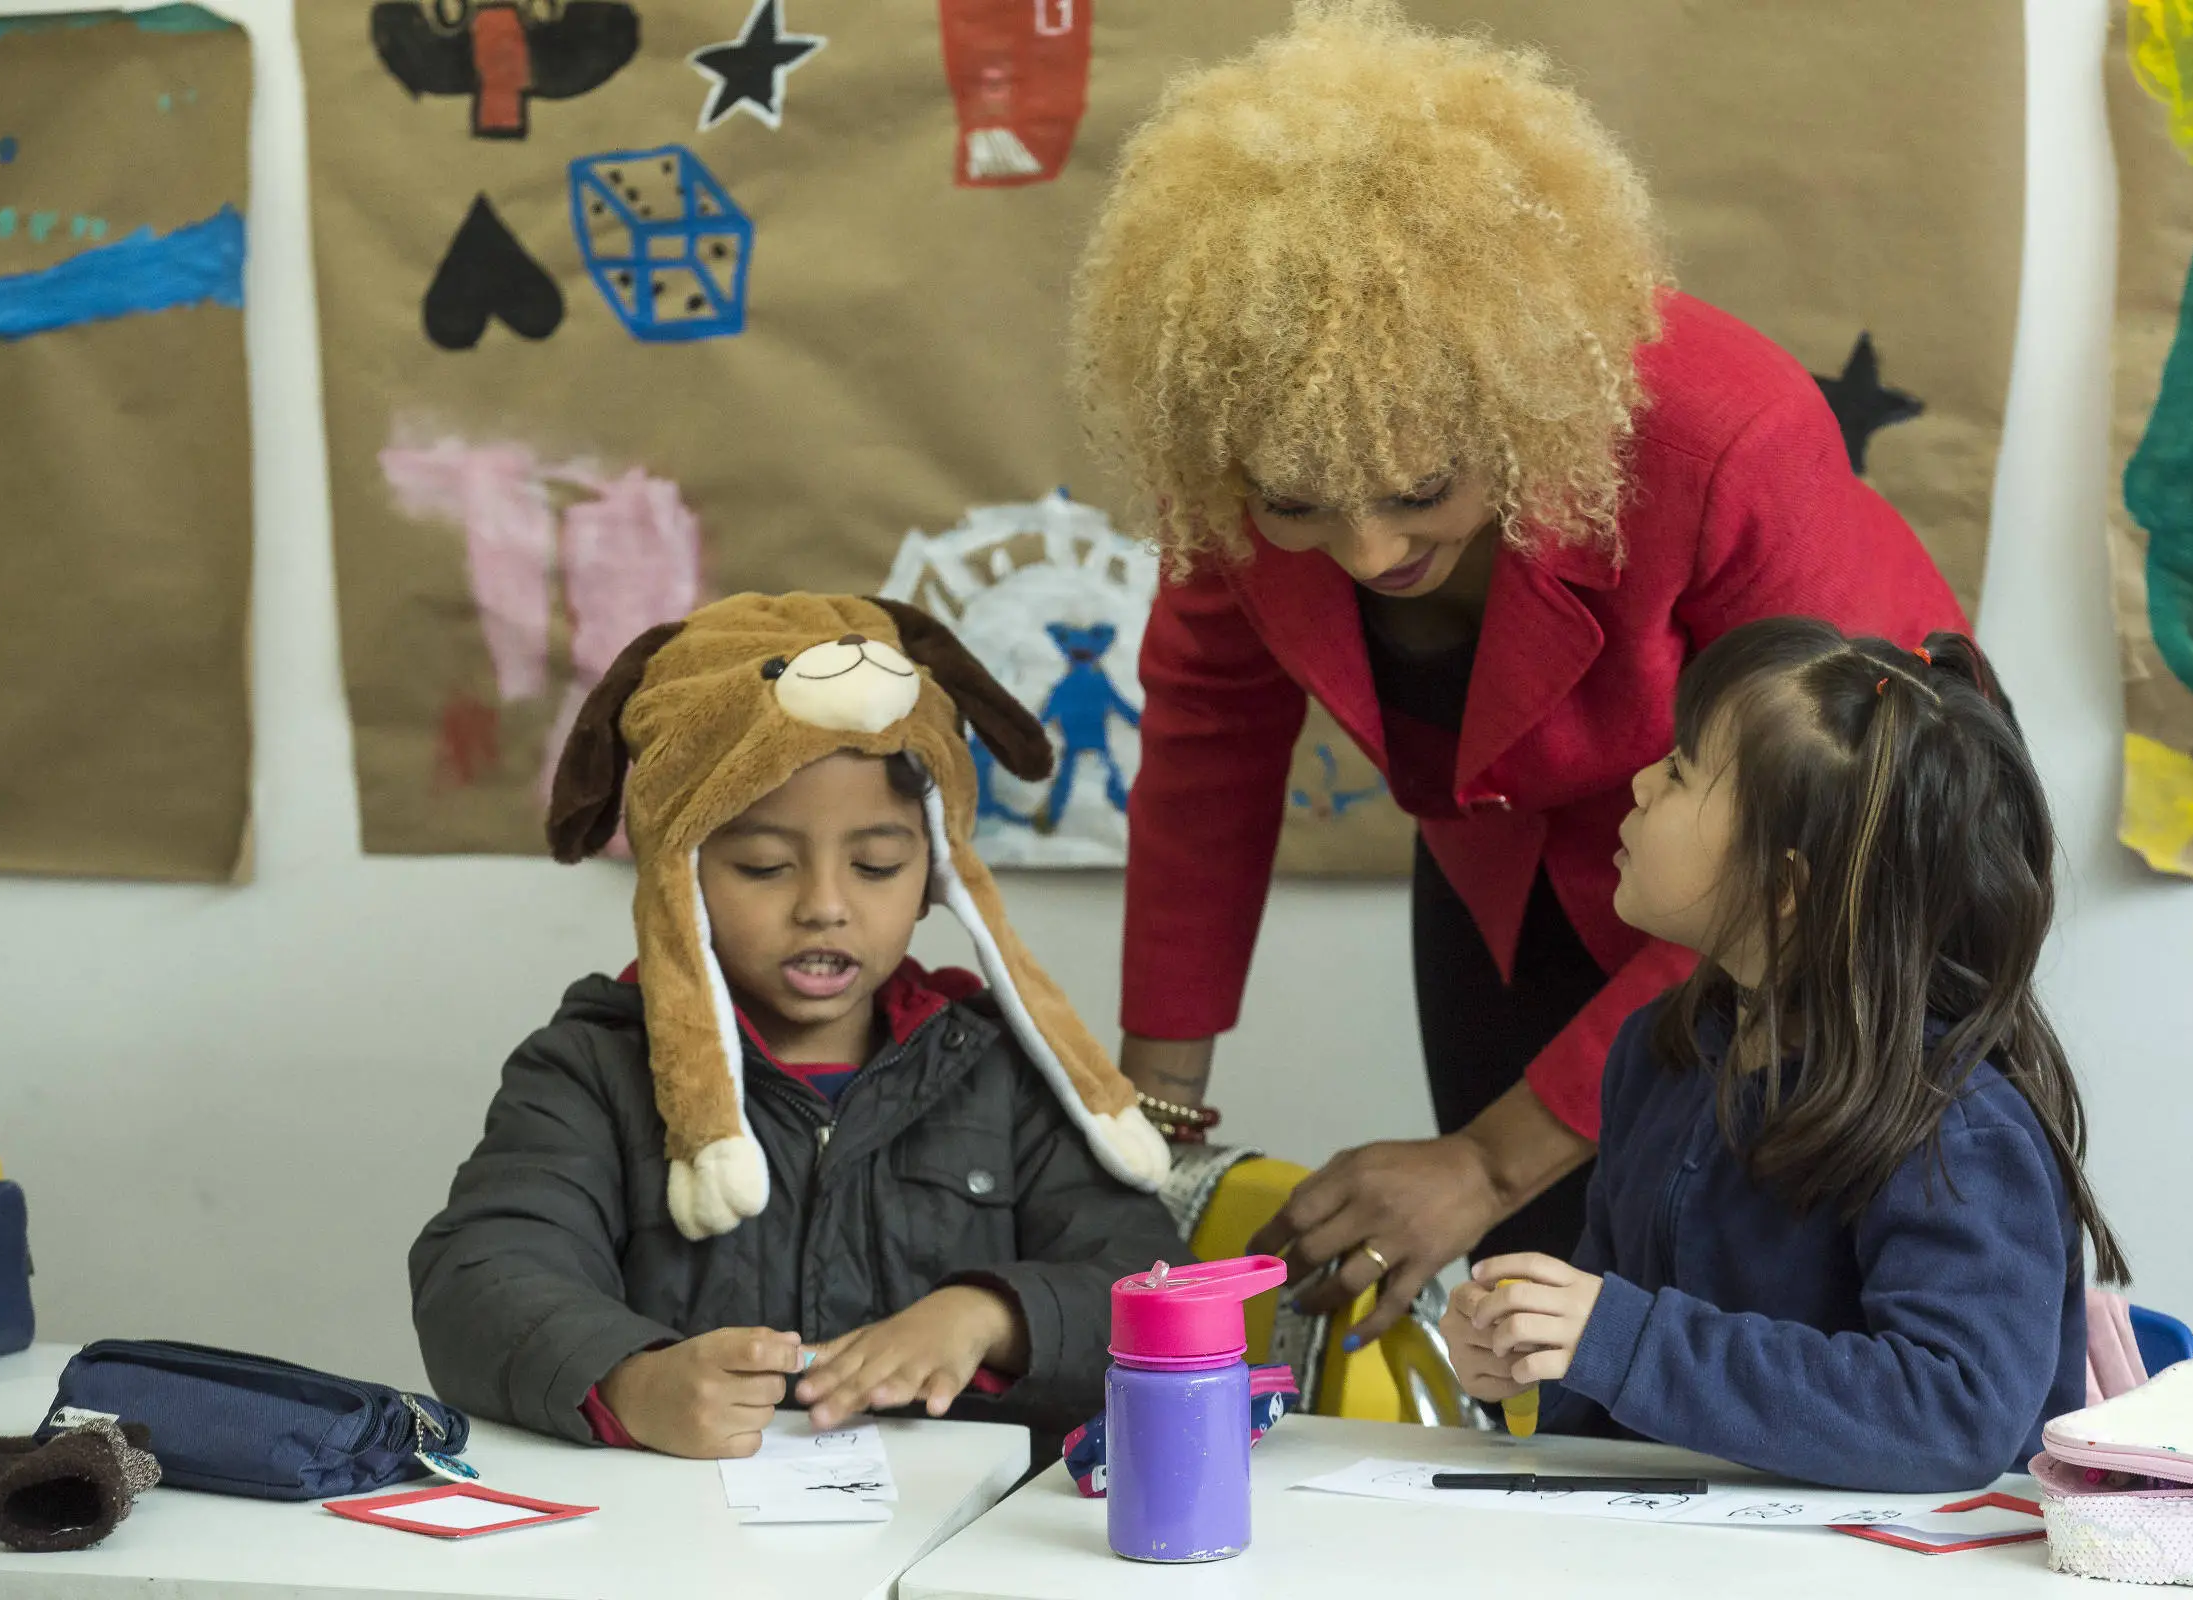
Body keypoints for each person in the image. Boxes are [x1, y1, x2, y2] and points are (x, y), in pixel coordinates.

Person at [1071, 0, 1970, 1343]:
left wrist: (1490, 1161)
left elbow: (1834, 855)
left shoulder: (1725, 436)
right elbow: (1210, 746)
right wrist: (1150, 1132)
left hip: (1826, 873)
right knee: (1544, 1328)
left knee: (1764, 1318)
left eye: (1421, 489)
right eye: (1302, 505)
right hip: (1513, 877)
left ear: (1516, 394)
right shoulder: (1251, 438)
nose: (1366, 550)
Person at [410, 594, 1185, 1461]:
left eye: (876, 865)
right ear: (680, 874)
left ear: (936, 874)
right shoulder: (591, 1068)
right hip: (692, 1545)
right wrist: (631, 1379)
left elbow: (1155, 1284)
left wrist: (994, 1315)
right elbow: (481, 1274)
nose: (823, 906)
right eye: (765, 865)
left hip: (964, 1548)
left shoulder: (1002, 1073)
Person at [1440, 619, 2128, 1492]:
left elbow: (1956, 1414)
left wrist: (1617, 1340)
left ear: (1786, 886)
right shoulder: (1661, 1057)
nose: (1643, 781)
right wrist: (1528, 1361)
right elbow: (1615, 1392)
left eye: (1683, 769)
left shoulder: (1956, 1125)